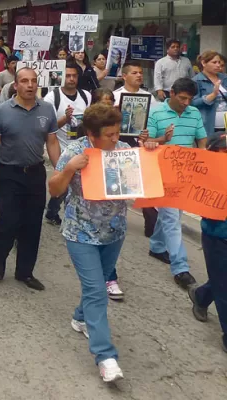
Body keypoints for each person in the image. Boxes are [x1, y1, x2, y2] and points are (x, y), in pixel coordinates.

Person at [48, 103, 159, 383]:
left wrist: (149, 155)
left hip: (114, 233)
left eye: (116, 132)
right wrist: (69, 170)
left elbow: (143, 181)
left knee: (94, 287)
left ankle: (80, 318)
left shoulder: (123, 151)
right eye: (108, 134)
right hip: (80, 233)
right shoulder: (75, 152)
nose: (114, 138)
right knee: (97, 291)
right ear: (91, 134)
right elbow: (55, 189)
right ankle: (105, 357)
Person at [0, 67, 61, 291]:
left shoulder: (47, 110)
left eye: (34, 81)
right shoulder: (1, 112)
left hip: (36, 173)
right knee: (9, 222)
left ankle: (25, 272)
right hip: (9, 174)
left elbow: (53, 142)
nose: (30, 85)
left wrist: (60, 171)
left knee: (32, 225)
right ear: (15, 85)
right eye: (25, 81)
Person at [145, 77, 206, 289]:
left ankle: (157, 245)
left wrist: (203, 163)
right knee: (172, 217)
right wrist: (160, 139)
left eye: (189, 99)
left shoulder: (194, 113)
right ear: (171, 93)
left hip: (186, 174)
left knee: (173, 215)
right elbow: (148, 142)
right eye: (182, 98)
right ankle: (180, 268)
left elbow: (202, 141)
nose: (186, 103)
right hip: (162, 173)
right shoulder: (156, 112)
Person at [187, 134, 227, 354]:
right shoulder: (206, 178)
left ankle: (200, 296)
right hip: (216, 238)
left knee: (222, 281)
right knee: (224, 287)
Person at [43, 63, 91, 226]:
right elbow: (47, 127)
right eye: (67, 75)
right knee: (63, 180)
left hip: (81, 147)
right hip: (60, 147)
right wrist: (65, 118)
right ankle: (55, 212)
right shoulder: (52, 97)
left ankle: (58, 212)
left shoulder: (86, 96)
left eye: (74, 76)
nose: (71, 79)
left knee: (76, 184)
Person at [113, 63, 159, 146]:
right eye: (134, 73)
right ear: (124, 76)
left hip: (143, 141)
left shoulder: (150, 97)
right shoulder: (115, 96)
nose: (139, 75)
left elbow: (155, 118)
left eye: (141, 73)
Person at [192, 50, 227, 141]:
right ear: (204, 63)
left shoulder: (224, 78)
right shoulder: (196, 80)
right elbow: (193, 102)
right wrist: (213, 95)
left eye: (219, 62)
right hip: (208, 124)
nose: (218, 65)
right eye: (214, 62)